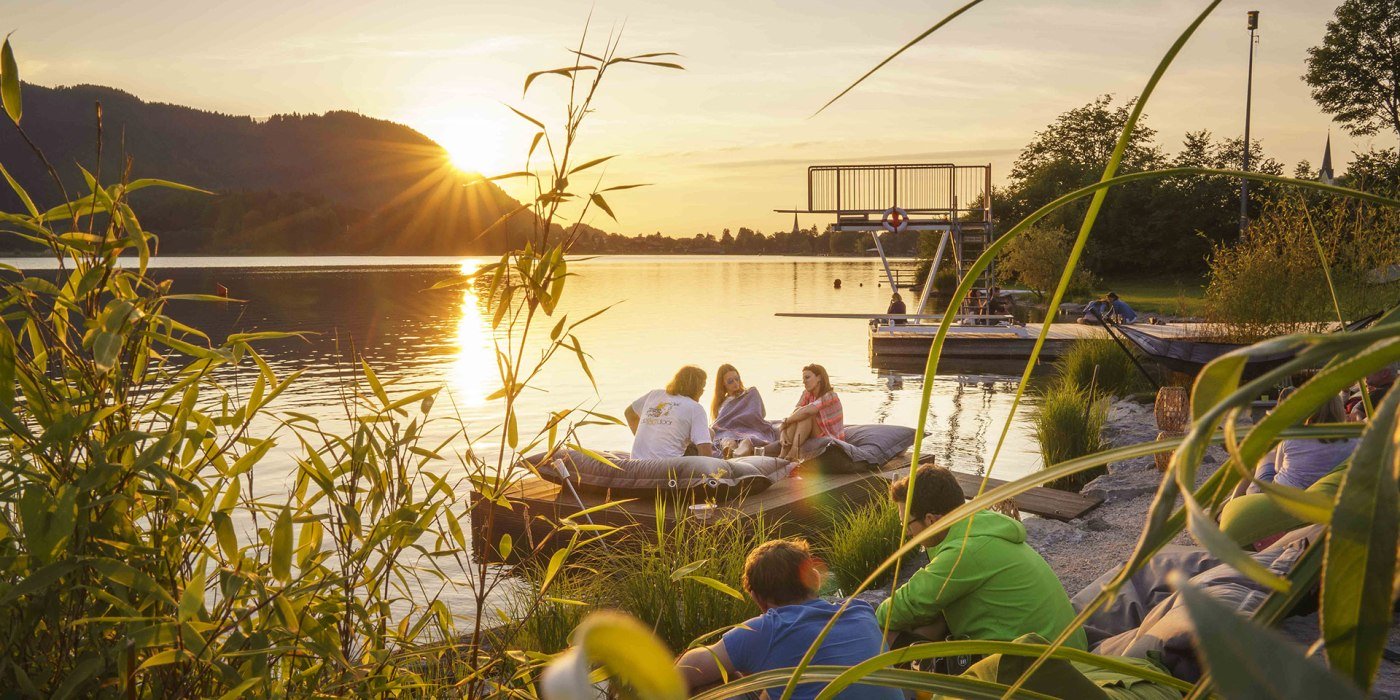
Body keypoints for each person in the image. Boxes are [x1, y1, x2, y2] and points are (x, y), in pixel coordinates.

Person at [875, 465, 1087, 651]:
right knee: (936, 620)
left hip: (1042, 668)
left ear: (931, 520)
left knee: (884, 634)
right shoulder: (980, 527)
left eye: (906, 525)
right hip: (1063, 649)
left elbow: (903, 607)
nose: (907, 534)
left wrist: (867, 616)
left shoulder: (965, 552)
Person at [675, 539, 901, 700]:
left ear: (756, 598)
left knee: (716, 686)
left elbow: (687, 668)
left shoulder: (767, 630)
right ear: (815, 581)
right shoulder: (859, 610)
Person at [1234, 393, 1358, 496]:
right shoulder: (1355, 439)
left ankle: (1231, 503)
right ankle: (1227, 504)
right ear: (1339, 409)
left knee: (1263, 455)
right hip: (1325, 498)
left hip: (1278, 498)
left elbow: (1277, 468)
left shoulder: (1293, 436)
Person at [624, 366, 713, 459]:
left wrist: (643, 440)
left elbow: (629, 413)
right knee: (710, 433)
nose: (703, 391)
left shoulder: (654, 394)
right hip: (667, 468)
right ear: (696, 388)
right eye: (702, 387)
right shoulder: (695, 408)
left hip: (636, 464)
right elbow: (705, 449)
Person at [709, 364, 779, 457]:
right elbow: (721, 422)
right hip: (728, 431)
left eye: (737, 379)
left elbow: (760, 413)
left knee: (747, 440)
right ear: (723, 383)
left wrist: (743, 419)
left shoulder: (750, 393)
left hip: (749, 429)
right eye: (730, 381)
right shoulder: (721, 404)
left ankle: (737, 455)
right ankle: (729, 452)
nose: (735, 383)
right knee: (727, 440)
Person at [779, 364, 844, 462]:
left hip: (829, 437)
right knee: (799, 413)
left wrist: (784, 423)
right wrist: (783, 431)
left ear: (819, 378)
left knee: (807, 414)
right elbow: (795, 414)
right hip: (812, 432)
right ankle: (782, 455)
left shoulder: (830, 396)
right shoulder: (807, 394)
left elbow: (807, 411)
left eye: (807, 377)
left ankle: (793, 452)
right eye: (803, 378)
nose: (804, 381)